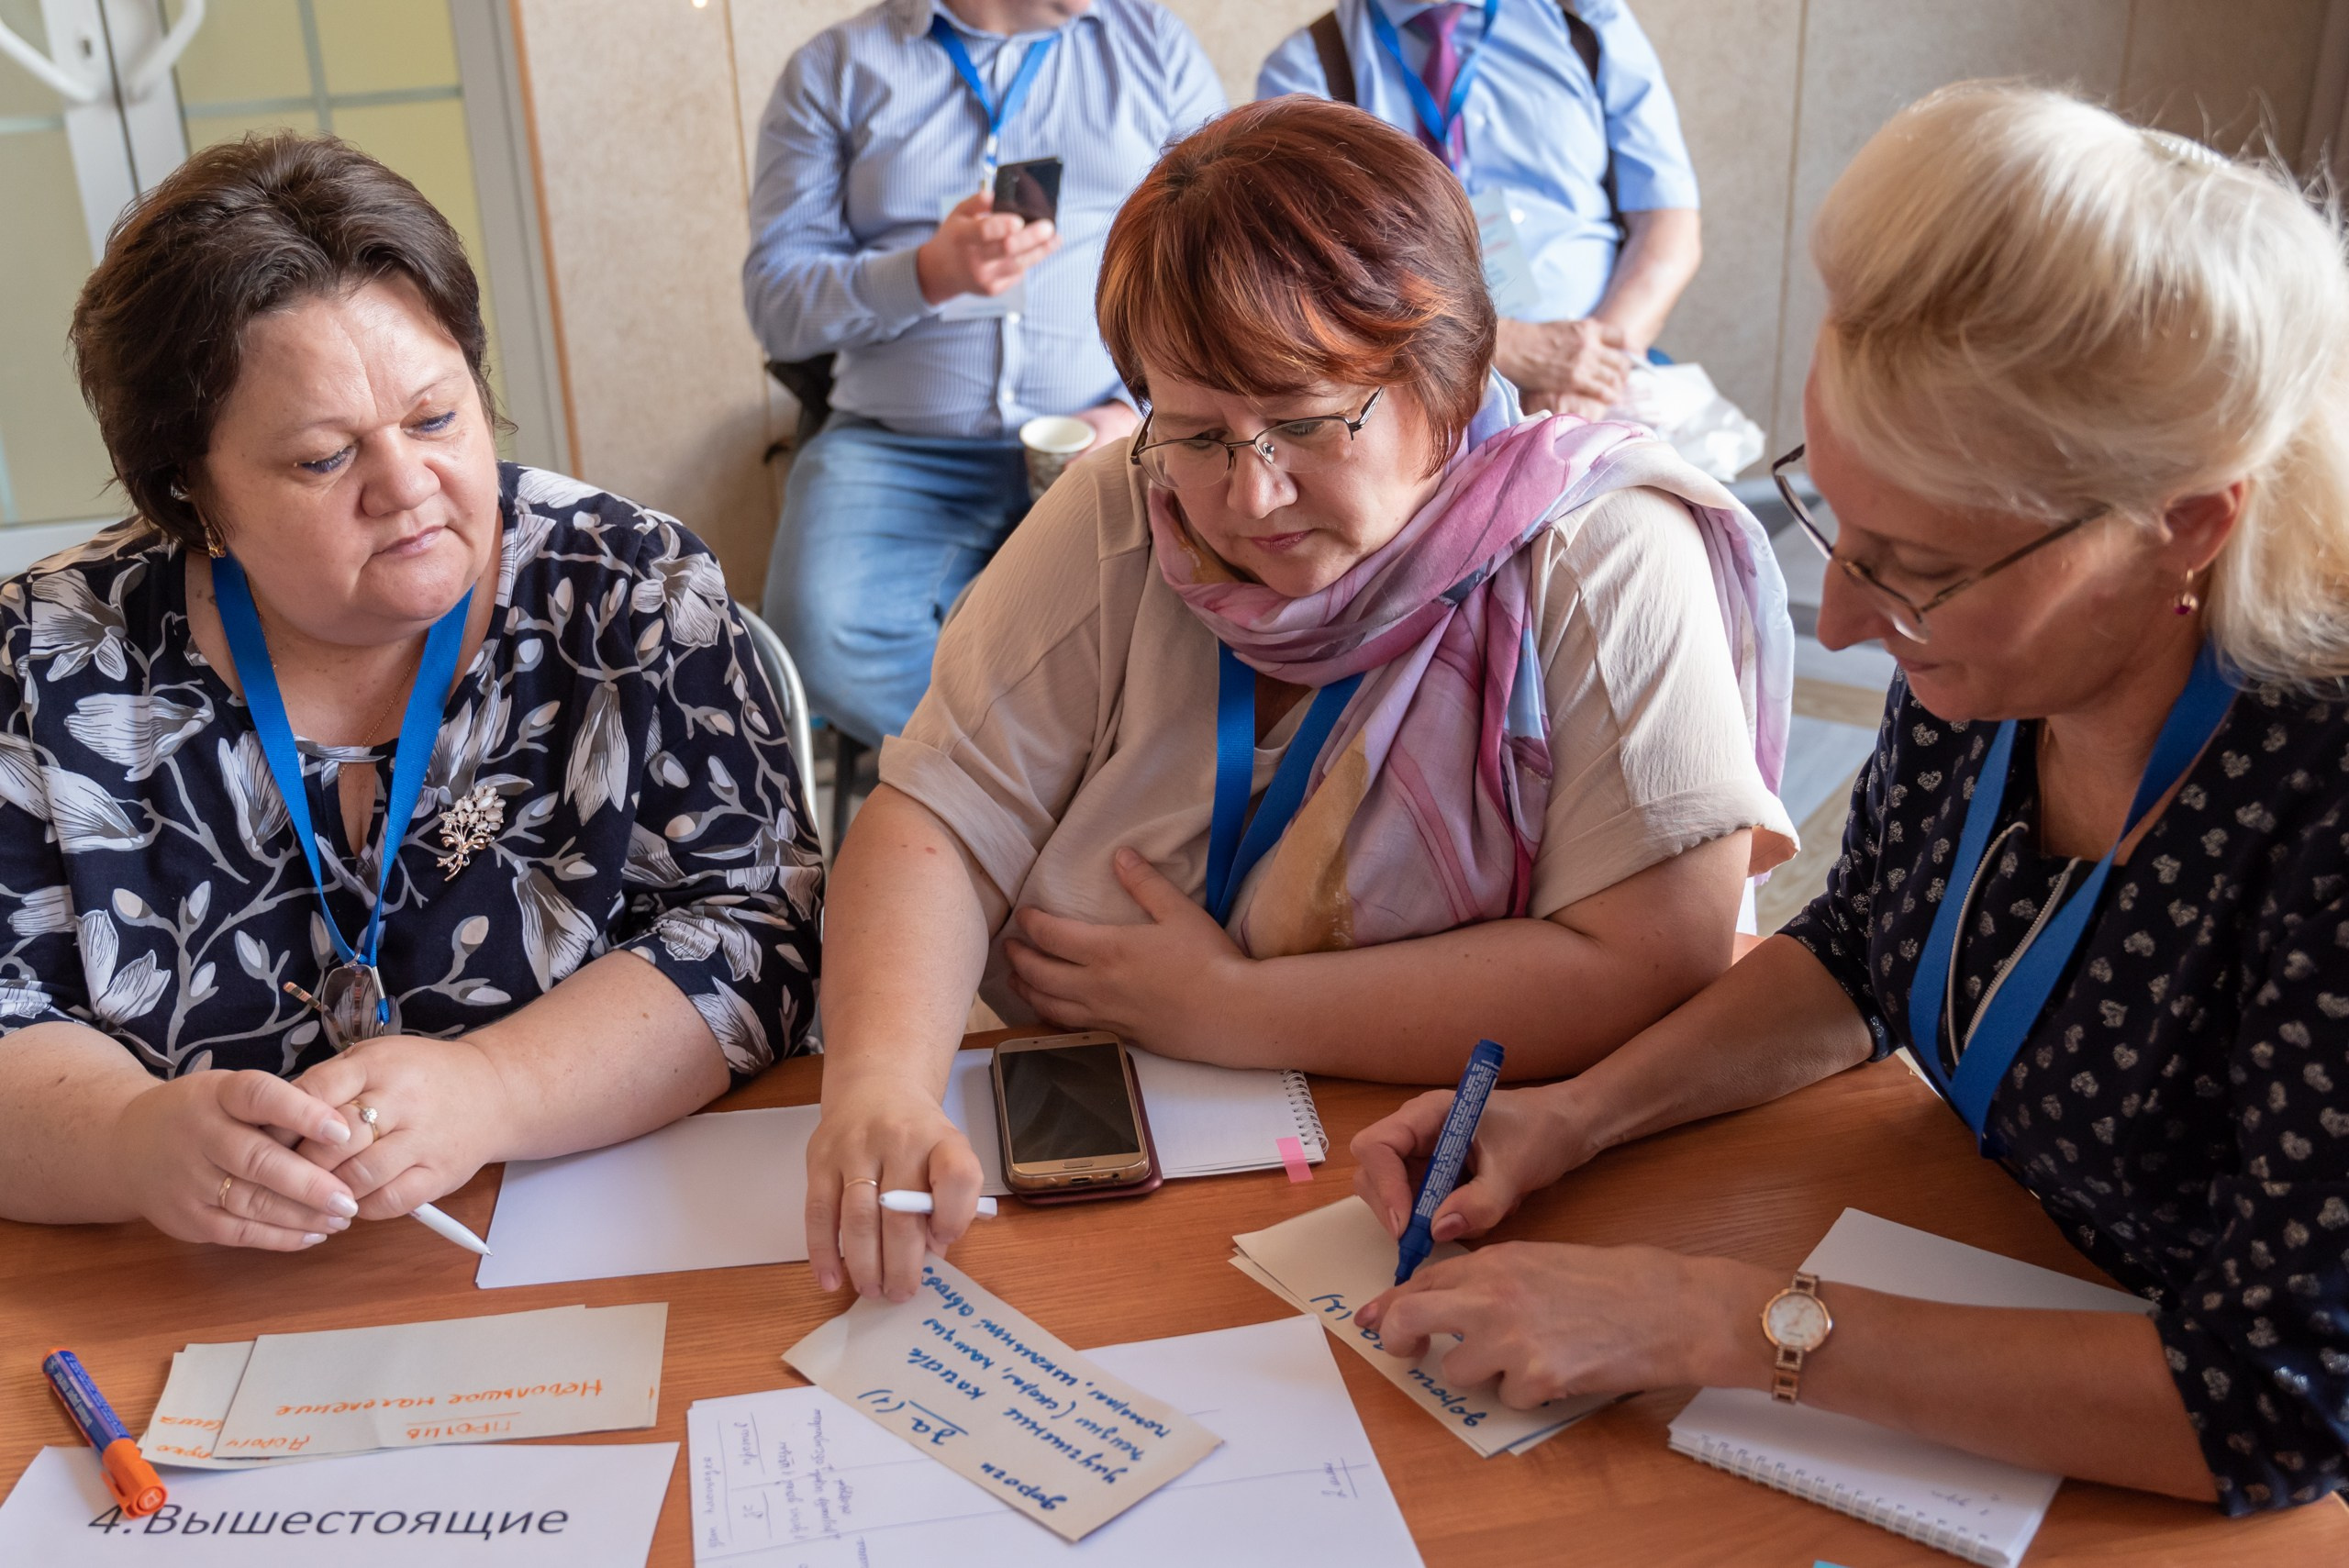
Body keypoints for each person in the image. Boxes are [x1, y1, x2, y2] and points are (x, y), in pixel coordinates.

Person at [1348, 83, 2349, 1515]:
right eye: (1838, 521)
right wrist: (1573, 1116)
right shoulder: (1989, 666)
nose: (1840, 622)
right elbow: (1864, 945)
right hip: (2005, 1290)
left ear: (2185, 522)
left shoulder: (2318, 806)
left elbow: (2277, 1405)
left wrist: (1719, 1321)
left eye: (1915, 569)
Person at [807, 97, 1795, 1300]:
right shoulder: (1129, 504)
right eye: (1198, 433)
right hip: (1119, 1177)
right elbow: (938, 814)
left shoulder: (1600, 555)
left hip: (1452, 1187)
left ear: (1446, 372)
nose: (1251, 497)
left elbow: (1656, 954)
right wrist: (879, 1084)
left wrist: (1240, 1009)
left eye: (1304, 423)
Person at [0, 135, 822, 1252]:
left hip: (596, 1240)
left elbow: (764, 925)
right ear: (188, 489)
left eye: (436, 418)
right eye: (323, 458)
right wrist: (126, 1140)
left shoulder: (627, 587)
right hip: (187, 1278)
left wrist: (498, 1088)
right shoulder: (44, 657)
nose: (406, 486)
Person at [744, 0, 1226, 749]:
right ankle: (1030, 786)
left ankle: (1036, 787)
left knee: (1207, 630)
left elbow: (1220, 262)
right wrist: (925, 274)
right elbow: (776, 305)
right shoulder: (833, 71)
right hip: (896, 449)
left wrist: (1138, 412)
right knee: (818, 636)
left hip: (1117, 439)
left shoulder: (1154, 46)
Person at [1258, 0, 1701, 418]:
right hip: (1427, 397)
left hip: (1610, 374)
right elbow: (1320, 287)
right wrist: (1508, 350)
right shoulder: (1307, 67)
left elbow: (1669, 225)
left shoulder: (1585, 19)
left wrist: (1590, 374)